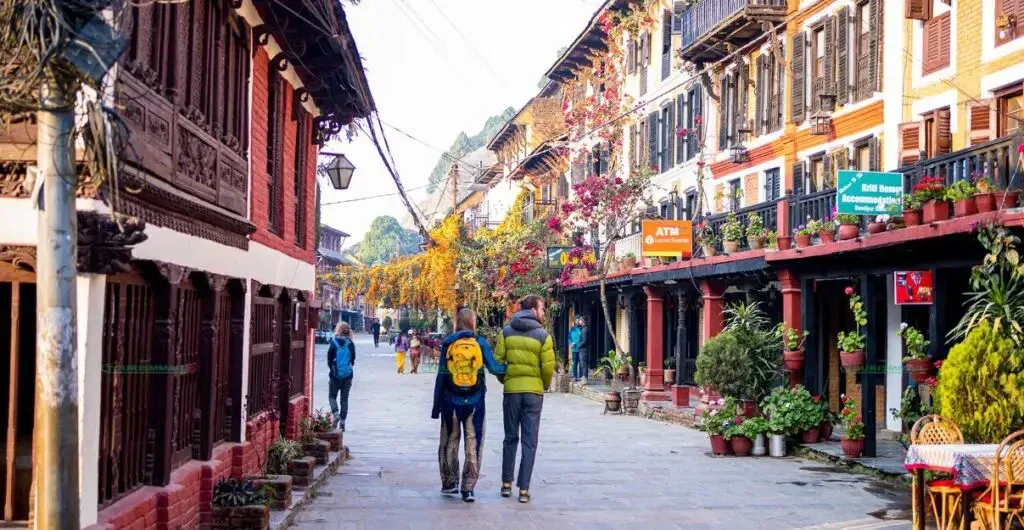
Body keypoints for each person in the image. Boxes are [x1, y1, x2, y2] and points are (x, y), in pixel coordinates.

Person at [431, 309, 505, 503]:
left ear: (457, 322)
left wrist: (436, 406)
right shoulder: (480, 343)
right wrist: (514, 368)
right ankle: (468, 488)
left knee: (449, 441)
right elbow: (495, 368)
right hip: (475, 401)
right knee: (474, 443)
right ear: (473, 322)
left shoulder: (448, 343)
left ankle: (449, 483)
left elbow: (442, 375)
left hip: (450, 401)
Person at [494, 295, 554, 504]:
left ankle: (506, 484)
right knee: (530, 442)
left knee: (510, 438)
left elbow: (498, 362)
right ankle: (524, 489)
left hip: (511, 392)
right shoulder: (543, 335)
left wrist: (507, 380)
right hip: (533, 394)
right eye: (542, 309)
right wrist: (542, 385)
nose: (543, 313)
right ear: (534, 310)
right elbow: (548, 368)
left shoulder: (506, 332)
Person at [327, 322, 355, 432]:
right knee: (344, 399)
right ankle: (342, 423)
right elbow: (353, 359)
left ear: (338, 330)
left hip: (335, 376)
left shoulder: (333, 342)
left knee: (332, 396)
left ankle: (335, 414)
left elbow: (329, 360)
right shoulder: (350, 343)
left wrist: (333, 369)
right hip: (348, 376)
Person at [568, 316, 584, 382]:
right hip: (574, 349)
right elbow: (569, 338)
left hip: (581, 349)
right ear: (574, 321)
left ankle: (581, 376)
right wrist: (571, 343)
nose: (577, 321)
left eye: (578, 320)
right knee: (575, 363)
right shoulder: (572, 329)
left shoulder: (582, 329)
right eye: (576, 320)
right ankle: (575, 376)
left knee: (581, 363)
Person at [577, 316, 590, 382]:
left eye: (580, 320)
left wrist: (578, 346)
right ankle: (584, 376)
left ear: (583, 321)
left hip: (584, 349)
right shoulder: (583, 328)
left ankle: (585, 377)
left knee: (584, 363)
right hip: (582, 349)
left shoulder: (585, 329)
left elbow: (584, 341)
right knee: (582, 363)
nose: (579, 321)